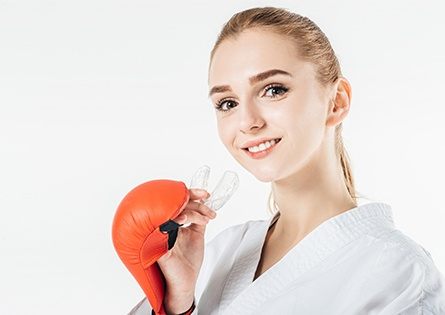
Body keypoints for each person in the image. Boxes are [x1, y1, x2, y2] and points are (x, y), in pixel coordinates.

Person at [129, 6, 445, 315]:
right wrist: (176, 303)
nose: (247, 121)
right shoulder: (218, 253)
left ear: (336, 101)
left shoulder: (398, 272)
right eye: (227, 103)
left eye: (274, 90)